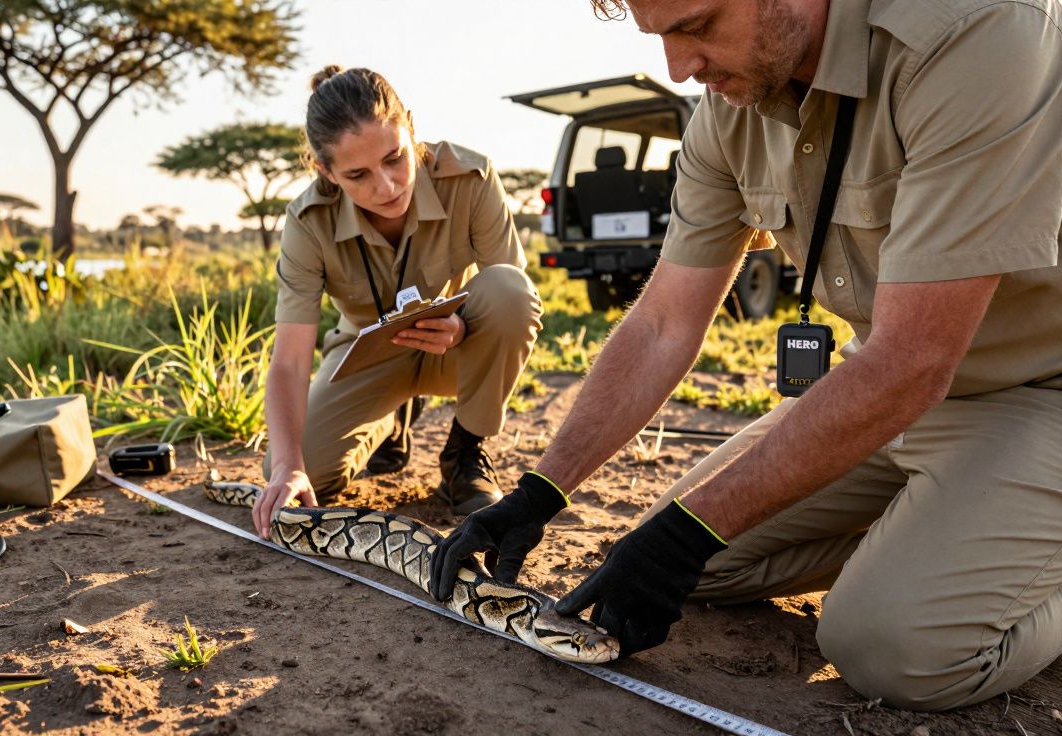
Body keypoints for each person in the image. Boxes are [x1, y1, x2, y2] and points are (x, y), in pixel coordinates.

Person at [432, 0, 1062, 712]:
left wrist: (688, 531)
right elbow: (665, 323)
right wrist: (542, 490)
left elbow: (917, 357)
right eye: (660, 35)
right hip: (884, 390)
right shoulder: (729, 104)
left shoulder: (977, 33)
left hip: (1037, 391)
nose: (679, 68)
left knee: (891, 650)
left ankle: (995, 554)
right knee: (697, 566)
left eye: (696, 25)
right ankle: (957, 537)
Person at [254, 65, 543, 537]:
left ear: (411, 126)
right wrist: (288, 465)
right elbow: (288, 360)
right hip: (367, 358)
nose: (386, 186)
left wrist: (464, 329)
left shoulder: (471, 176)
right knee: (298, 479)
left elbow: (513, 295)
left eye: (394, 157)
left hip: (458, 344)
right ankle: (390, 420)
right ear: (325, 171)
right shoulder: (307, 220)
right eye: (358, 174)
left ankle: (466, 450)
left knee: (509, 289)